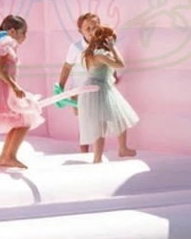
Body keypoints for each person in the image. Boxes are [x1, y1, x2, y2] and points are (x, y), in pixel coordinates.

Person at [0, 14, 43, 169]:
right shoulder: (5, 45)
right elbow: (0, 70)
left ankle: (5, 157)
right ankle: (9, 156)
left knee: (19, 122)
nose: (25, 36)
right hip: (4, 87)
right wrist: (14, 86)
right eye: (23, 32)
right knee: (24, 121)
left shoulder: (6, 46)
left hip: (6, 86)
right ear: (12, 31)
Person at [58, 12, 122, 152]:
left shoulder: (103, 45)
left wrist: (114, 76)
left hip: (99, 90)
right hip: (79, 90)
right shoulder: (76, 47)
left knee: (99, 122)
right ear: (80, 30)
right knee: (84, 122)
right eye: (88, 28)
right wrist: (60, 87)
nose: (92, 31)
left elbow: (108, 62)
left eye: (95, 27)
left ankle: (98, 153)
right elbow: (67, 67)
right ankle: (84, 152)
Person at [77, 25, 139, 162]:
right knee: (104, 124)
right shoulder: (99, 55)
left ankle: (120, 149)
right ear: (107, 41)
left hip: (97, 87)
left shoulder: (91, 53)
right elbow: (120, 64)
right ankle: (101, 156)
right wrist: (113, 48)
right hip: (98, 88)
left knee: (118, 118)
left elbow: (109, 69)